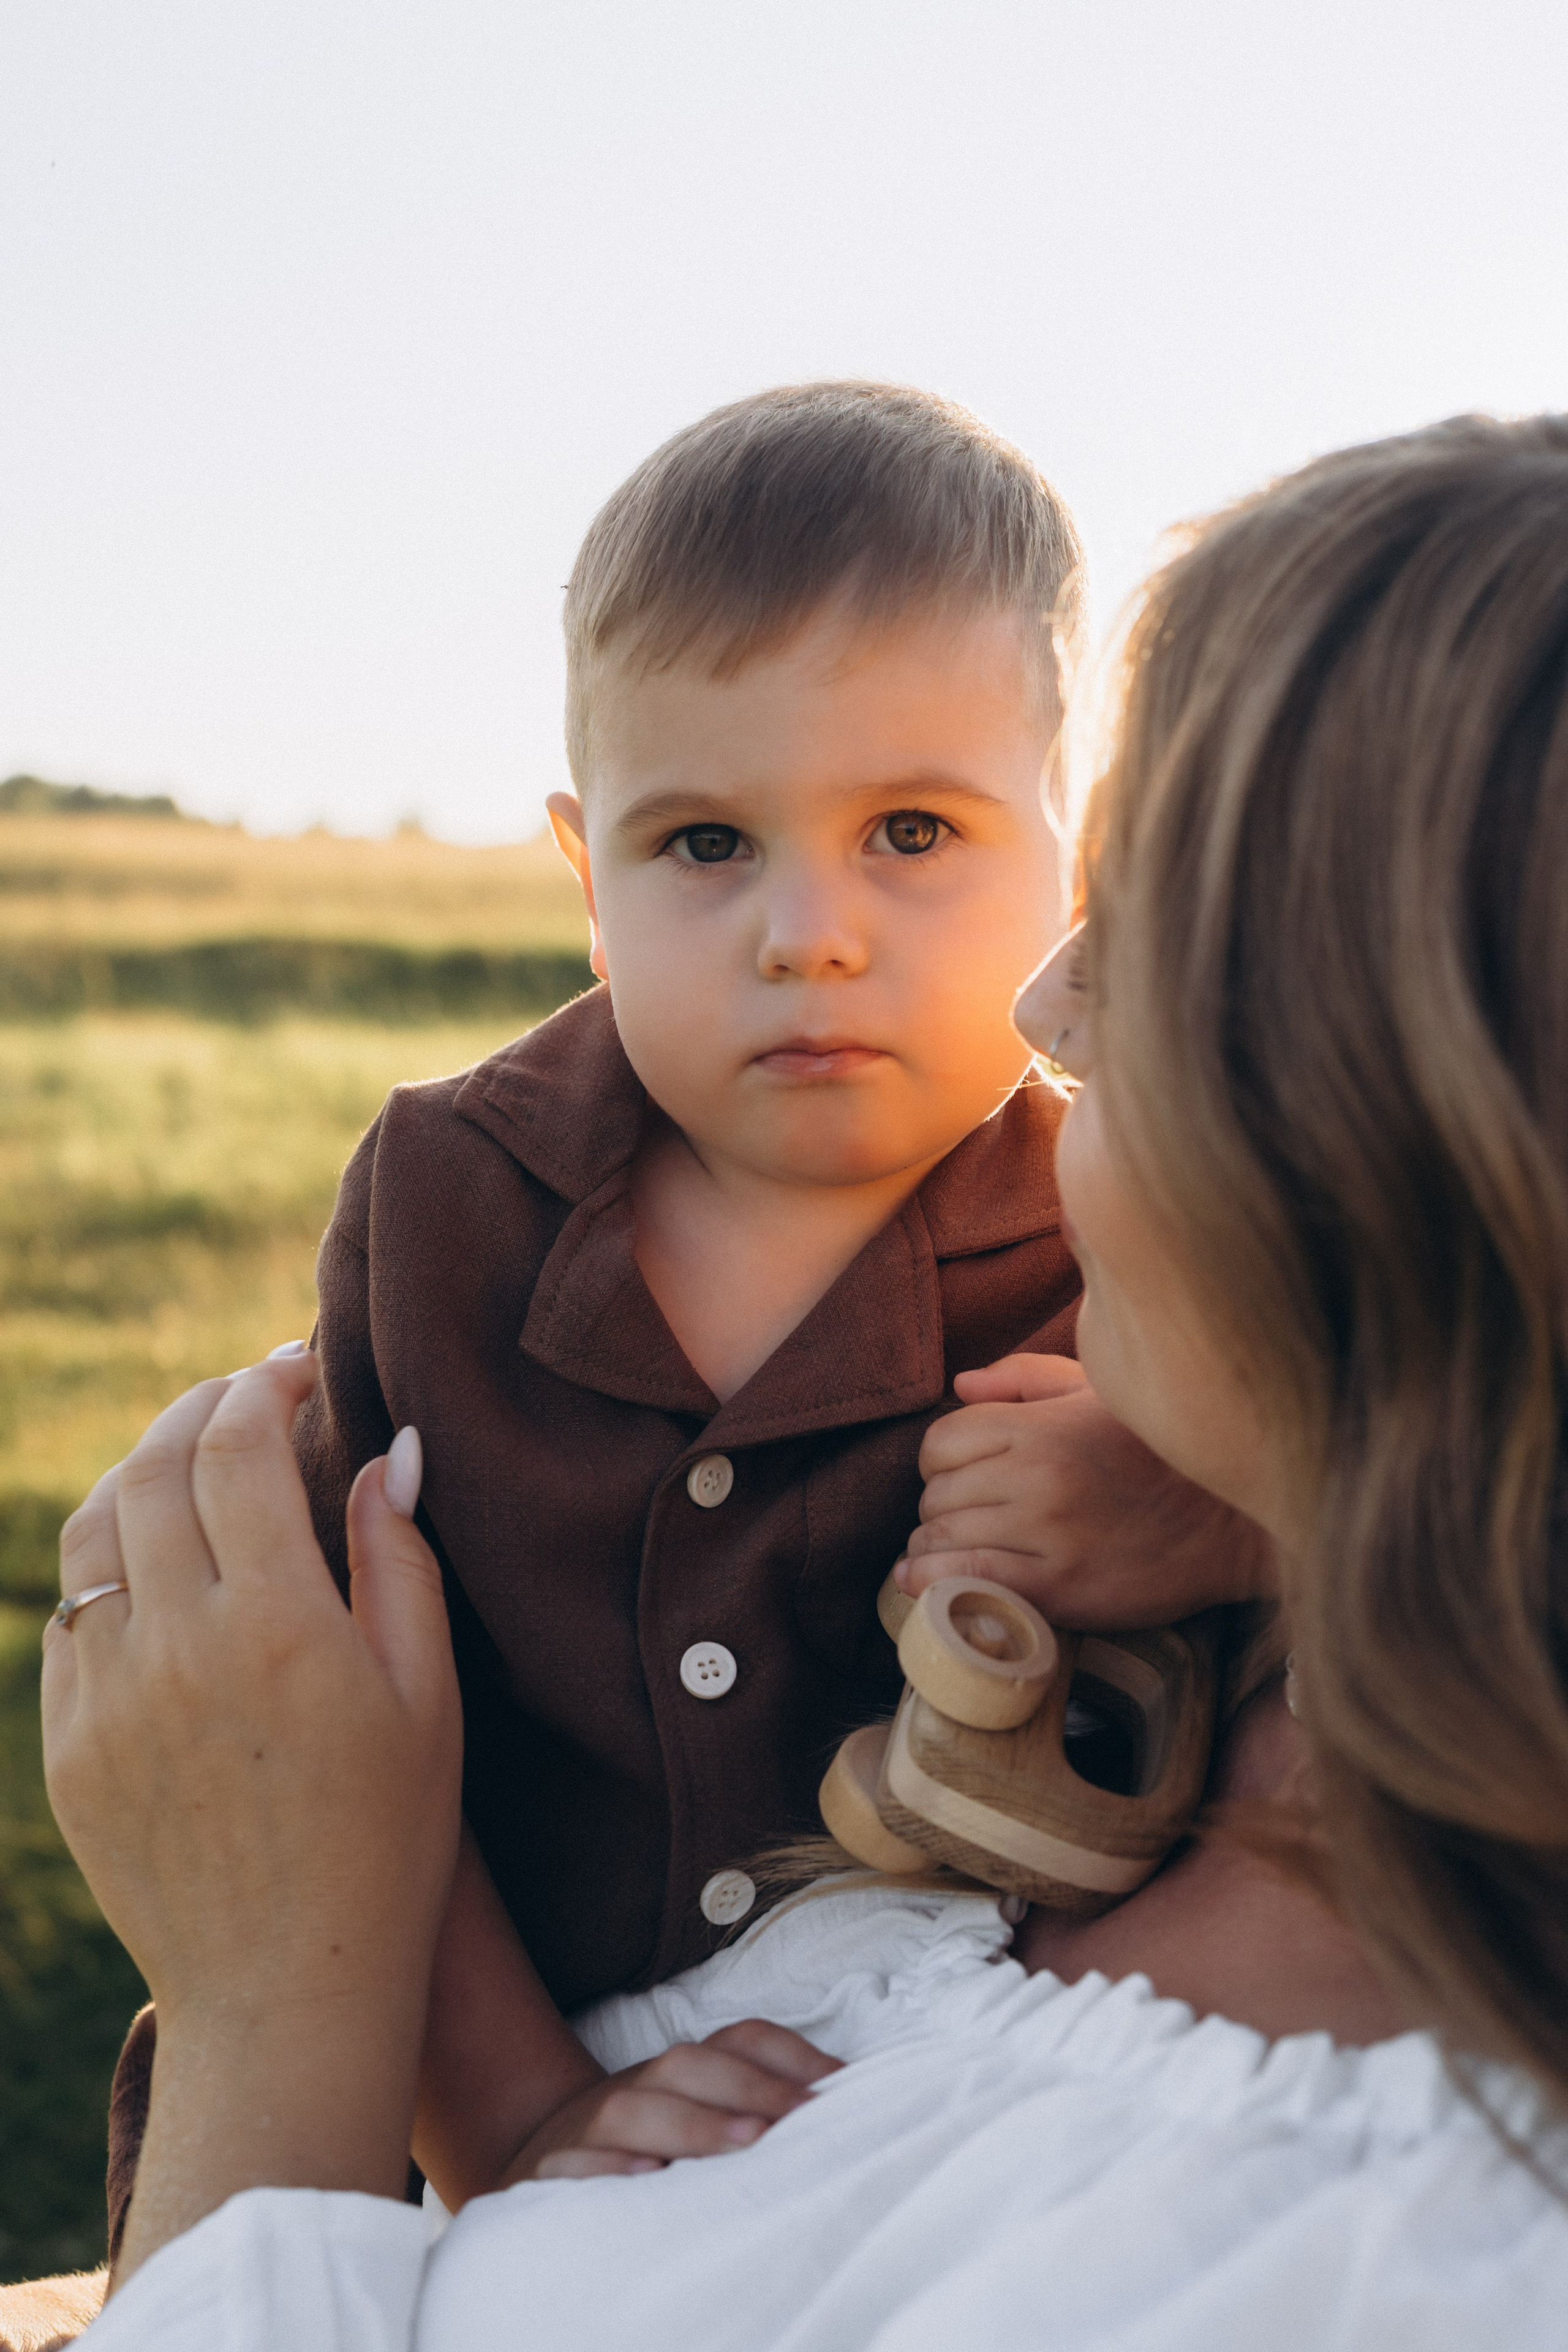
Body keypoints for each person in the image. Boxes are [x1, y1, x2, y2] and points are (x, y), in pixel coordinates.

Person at [37, 409, 1568, 2345]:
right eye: (706, 842)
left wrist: (273, 2016)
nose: (817, 938)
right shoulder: (458, 1194)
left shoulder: (1334, 2230)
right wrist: (488, 2106)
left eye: (919, 835)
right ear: (587, 871)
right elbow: (347, 1662)